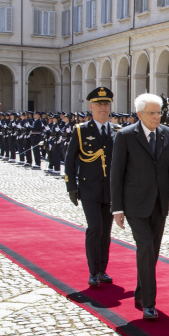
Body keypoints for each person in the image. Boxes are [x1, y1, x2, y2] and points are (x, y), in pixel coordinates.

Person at [110, 94, 169, 320]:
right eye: (151, 113)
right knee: (145, 246)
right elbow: (117, 173)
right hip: (135, 204)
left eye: (159, 112)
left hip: (159, 203)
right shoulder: (125, 136)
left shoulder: (166, 135)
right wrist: (117, 208)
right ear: (139, 114)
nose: (156, 117)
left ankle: (141, 293)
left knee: (153, 252)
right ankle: (149, 304)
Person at [65, 86, 116, 287]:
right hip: (89, 189)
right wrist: (71, 187)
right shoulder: (81, 131)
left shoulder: (117, 132)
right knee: (95, 228)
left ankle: (103, 269)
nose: (103, 108)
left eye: (106, 104)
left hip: (110, 191)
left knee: (106, 231)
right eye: (99, 104)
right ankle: (93, 271)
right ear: (91, 106)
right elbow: (69, 161)